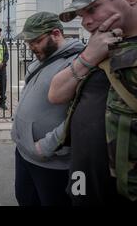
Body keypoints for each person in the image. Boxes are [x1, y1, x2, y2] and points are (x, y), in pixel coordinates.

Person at [49, 0, 137, 204]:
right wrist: (89, 55)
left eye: (92, 9)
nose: (85, 21)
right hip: (82, 186)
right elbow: (56, 93)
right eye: (81, 14)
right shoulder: (103, 44)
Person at [11, 12, 84, 206]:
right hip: (24, 152)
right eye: (28, 41)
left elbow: (80, 116)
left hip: (52, 162)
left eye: (36, 40)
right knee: (25, 200)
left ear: (56, 33)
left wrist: (46, 146)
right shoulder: (40, 60)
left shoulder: (78, 63)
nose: (31, 46)